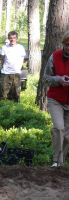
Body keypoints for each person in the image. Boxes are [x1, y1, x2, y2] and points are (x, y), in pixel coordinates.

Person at [43, 30, 69, 167]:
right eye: (67, 44)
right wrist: (59, 80)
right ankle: (56, 162)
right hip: (56, 99)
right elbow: (46, 78)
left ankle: (61, 162)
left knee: (67, 135)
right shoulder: (55, 56)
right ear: (63, 44)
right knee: (59, 128)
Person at [0, 31, 26, 102]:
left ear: (16, 38)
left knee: (16, 93)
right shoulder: (4, 48)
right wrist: (3, 68)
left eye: (14, 38)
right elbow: (2, 59)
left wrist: (18, 68)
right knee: (4, 92)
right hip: (5, 73)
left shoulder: (20, 48)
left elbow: (22, 59)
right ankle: (3, 107)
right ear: (8, 38)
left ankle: (16, 108)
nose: (12, 40)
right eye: (11, 38)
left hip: (16, 73)